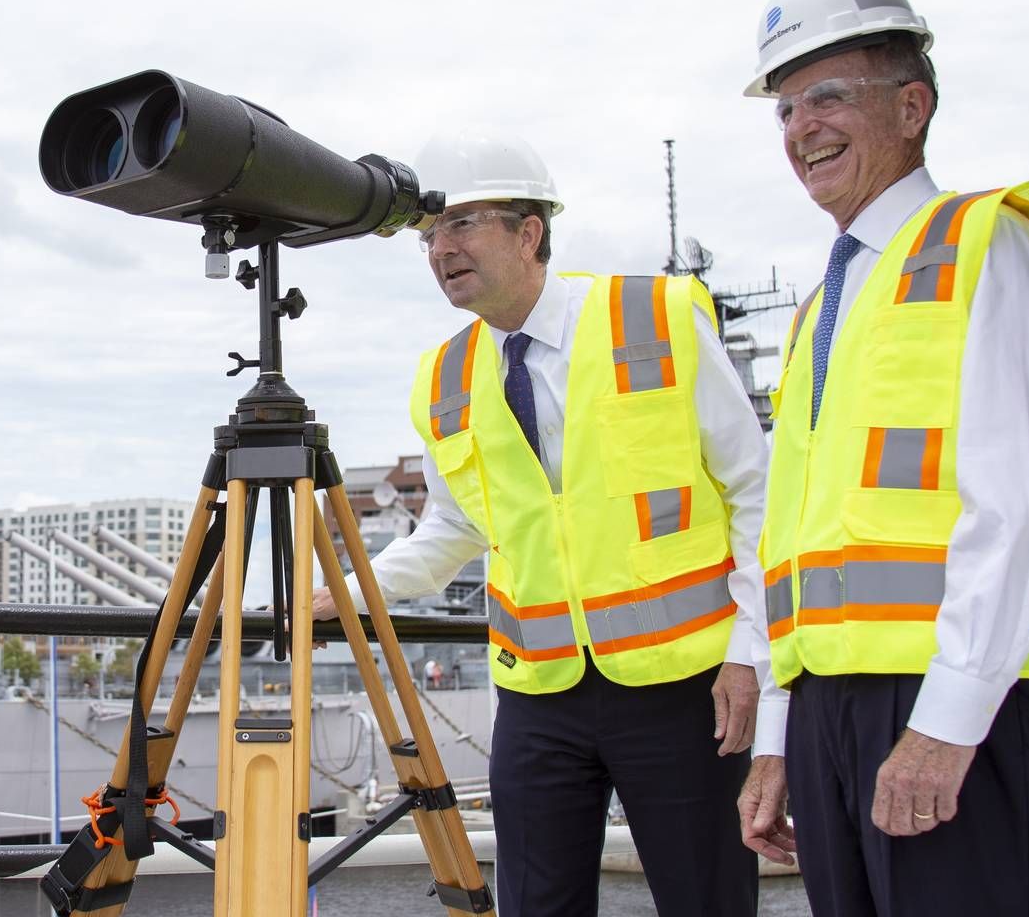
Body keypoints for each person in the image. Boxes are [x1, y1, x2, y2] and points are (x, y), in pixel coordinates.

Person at [311, 132, 771, 917]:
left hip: (684, 686)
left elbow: (757, 491)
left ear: (530, 232)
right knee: (536, 905)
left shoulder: (653, 318)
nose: (439, 250)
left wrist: (749, 651)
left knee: (707, 900)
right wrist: (347, 594)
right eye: (429, 235)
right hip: (538, 691)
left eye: (460, 226)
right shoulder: (446, 377)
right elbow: (451, 530)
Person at [733, 0, 1029, 916]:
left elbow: (1028, 500)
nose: (801, 129)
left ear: (912, 107)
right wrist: (779, 729)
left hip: (962, 702)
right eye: (784, 110)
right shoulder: (824, 307)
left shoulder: (987, 244)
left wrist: (948, 721)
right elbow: (796, 545)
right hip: (832, 710)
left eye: (829, 98)